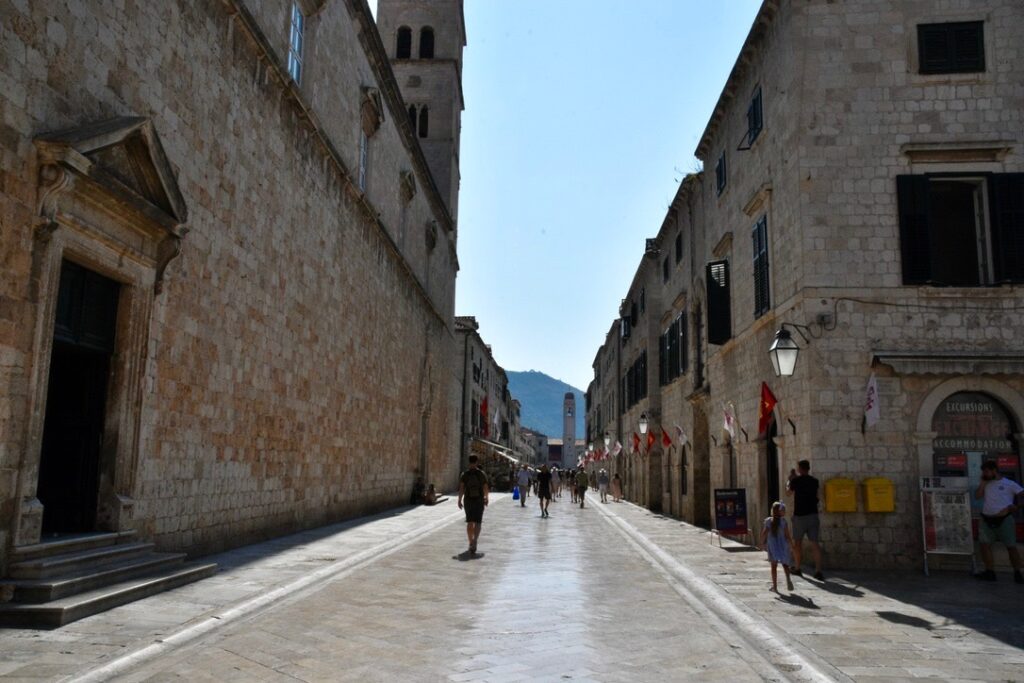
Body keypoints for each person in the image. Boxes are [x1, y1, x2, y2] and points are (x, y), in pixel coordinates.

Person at [974, 460, 1024, 583]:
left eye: (986, 472)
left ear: (994, 471)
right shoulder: (986, 483)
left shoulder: (1009, 484)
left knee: (1011, 546)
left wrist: (1016, 506)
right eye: (983, 472)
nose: (985, 474)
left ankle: (1017, 572)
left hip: (1004, 518)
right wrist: (983, 483)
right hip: (987, 518)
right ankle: (990, 571)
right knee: (984, 545)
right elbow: (977, 496)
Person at [786, 459, 825, 580]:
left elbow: (788, 493)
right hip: (813, 515)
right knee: (815, 543)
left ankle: (797, 568)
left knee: (798, 543)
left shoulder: (796, 481)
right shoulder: (814, 481)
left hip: (800, 516)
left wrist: (789, 480)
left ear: (800, 469)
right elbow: (818, 496)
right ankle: (818, 570)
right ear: (808, 468)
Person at [759, 501, 796, 592]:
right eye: (783, 509)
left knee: (774, 566)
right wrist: (791, 544)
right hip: (783, 545)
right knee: (785, 564)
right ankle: (788, 578)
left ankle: (775, 587)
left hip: (773, 546)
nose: (784, 511)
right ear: (780, 512)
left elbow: (764, 533)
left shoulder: (768, 521)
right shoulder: (783, 522)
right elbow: (787, 535)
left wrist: (761, 542)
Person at [458, 455, 489, 555]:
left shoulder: (465, 474)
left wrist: (459, 500)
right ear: (477, 462)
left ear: (469, 461)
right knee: (478, 522)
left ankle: (470, 541)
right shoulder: (481, 473)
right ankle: (475, 540)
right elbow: (485, 487)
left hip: (468, 500)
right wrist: (486, 498)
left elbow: (461, 488)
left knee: (470, 522)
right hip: (479, 500)